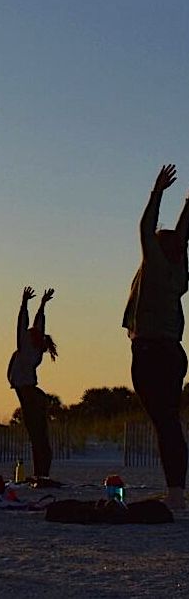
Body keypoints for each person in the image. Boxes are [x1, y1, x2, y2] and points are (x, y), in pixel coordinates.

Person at [123, 164, 189, 510]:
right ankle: (176, 489)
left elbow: (146, 227)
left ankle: (176, 493)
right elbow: (183, 233)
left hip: (151, 351)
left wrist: (158, 192)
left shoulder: (158, 264)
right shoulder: (179, 270)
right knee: (168, 419)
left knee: (164, 420)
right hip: (172, 353)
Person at [7, 286, 57, 482]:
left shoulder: (31, 346)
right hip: (25, 388)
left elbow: (36, 324)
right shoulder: (26, 343)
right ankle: (40, 472)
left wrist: (40, 305)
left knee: (39, 434)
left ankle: (42, 472)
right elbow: (25, 323)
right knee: (37, 434)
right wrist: (27, 303)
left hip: (28, 388)